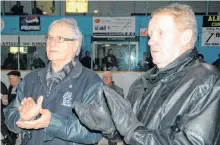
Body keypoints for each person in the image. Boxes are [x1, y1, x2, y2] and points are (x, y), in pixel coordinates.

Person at [73, 3, 220, 145]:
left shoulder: (207, 80)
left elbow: (191, 141)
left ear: (185, 37)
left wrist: (132, 129)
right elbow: (130, 135)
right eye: (150, 35)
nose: (151, 42)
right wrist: (110, 128)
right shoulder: (143, 82)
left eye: (160, 33)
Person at [4, 18, 103, 145]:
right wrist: (22, 118)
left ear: (76, 45)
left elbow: (94, 131)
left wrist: (52, 122)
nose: (52, 43)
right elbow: (10, 115)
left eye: (60, 38)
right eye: (50, 38)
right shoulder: (31, 78)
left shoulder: (91, 81)